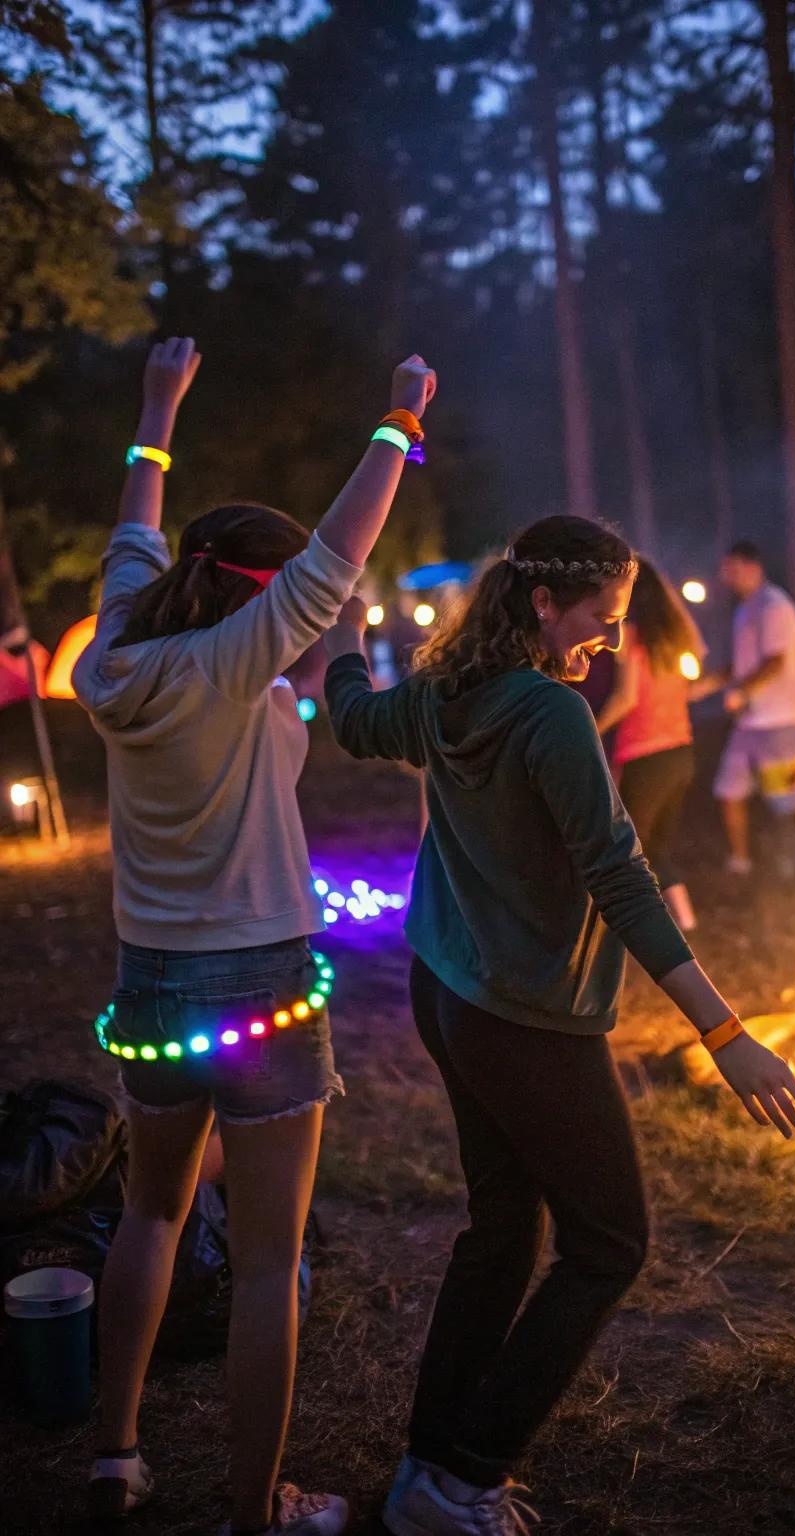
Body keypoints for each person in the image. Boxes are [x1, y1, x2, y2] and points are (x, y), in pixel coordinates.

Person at [323, 516, 795, 1536]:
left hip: (447, 992)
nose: (611, 640)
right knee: (608, 1243)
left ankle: (429, 1476)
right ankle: (466, 1469)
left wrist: (336, 644)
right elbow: (622, 879)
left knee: (502, 1231)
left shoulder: (444, 695)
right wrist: (727, 1037)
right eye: (602, 618)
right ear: (544, 605)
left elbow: (357, 718)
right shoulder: (549, 717)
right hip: (522, 1020)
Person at [74, 336, 437, 1536]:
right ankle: (251, 1510)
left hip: (152, 981)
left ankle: (115, 1456)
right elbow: (339, 555)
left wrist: (158, 407)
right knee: (270, 1261)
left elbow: (138, 519)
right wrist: (398, 420)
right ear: (255, 598)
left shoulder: (118, 645)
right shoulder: (236, 659)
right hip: (265, 982)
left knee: (152, 1213)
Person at [593, 557, 706, 932]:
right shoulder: (676, 640)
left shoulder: (633, 638)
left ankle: (625, 930)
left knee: (626, 849)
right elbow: (690, 682)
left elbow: (626, 699)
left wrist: (587, 728)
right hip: (681, 754)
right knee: (655, 846)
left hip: (645, 755)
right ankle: (686, 923)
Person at [705, 541, 795, 881]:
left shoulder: (774, 607)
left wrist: (741, 692)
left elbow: (775, 663)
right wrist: (704, 685)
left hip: (781, 718)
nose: (726, 576)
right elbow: (742, 665)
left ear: (754, 567)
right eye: (725, 569)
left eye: (733, 569)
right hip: (749, 721)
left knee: (789, 793)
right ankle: (740, 861)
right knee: (729, 790)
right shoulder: (745, 609)